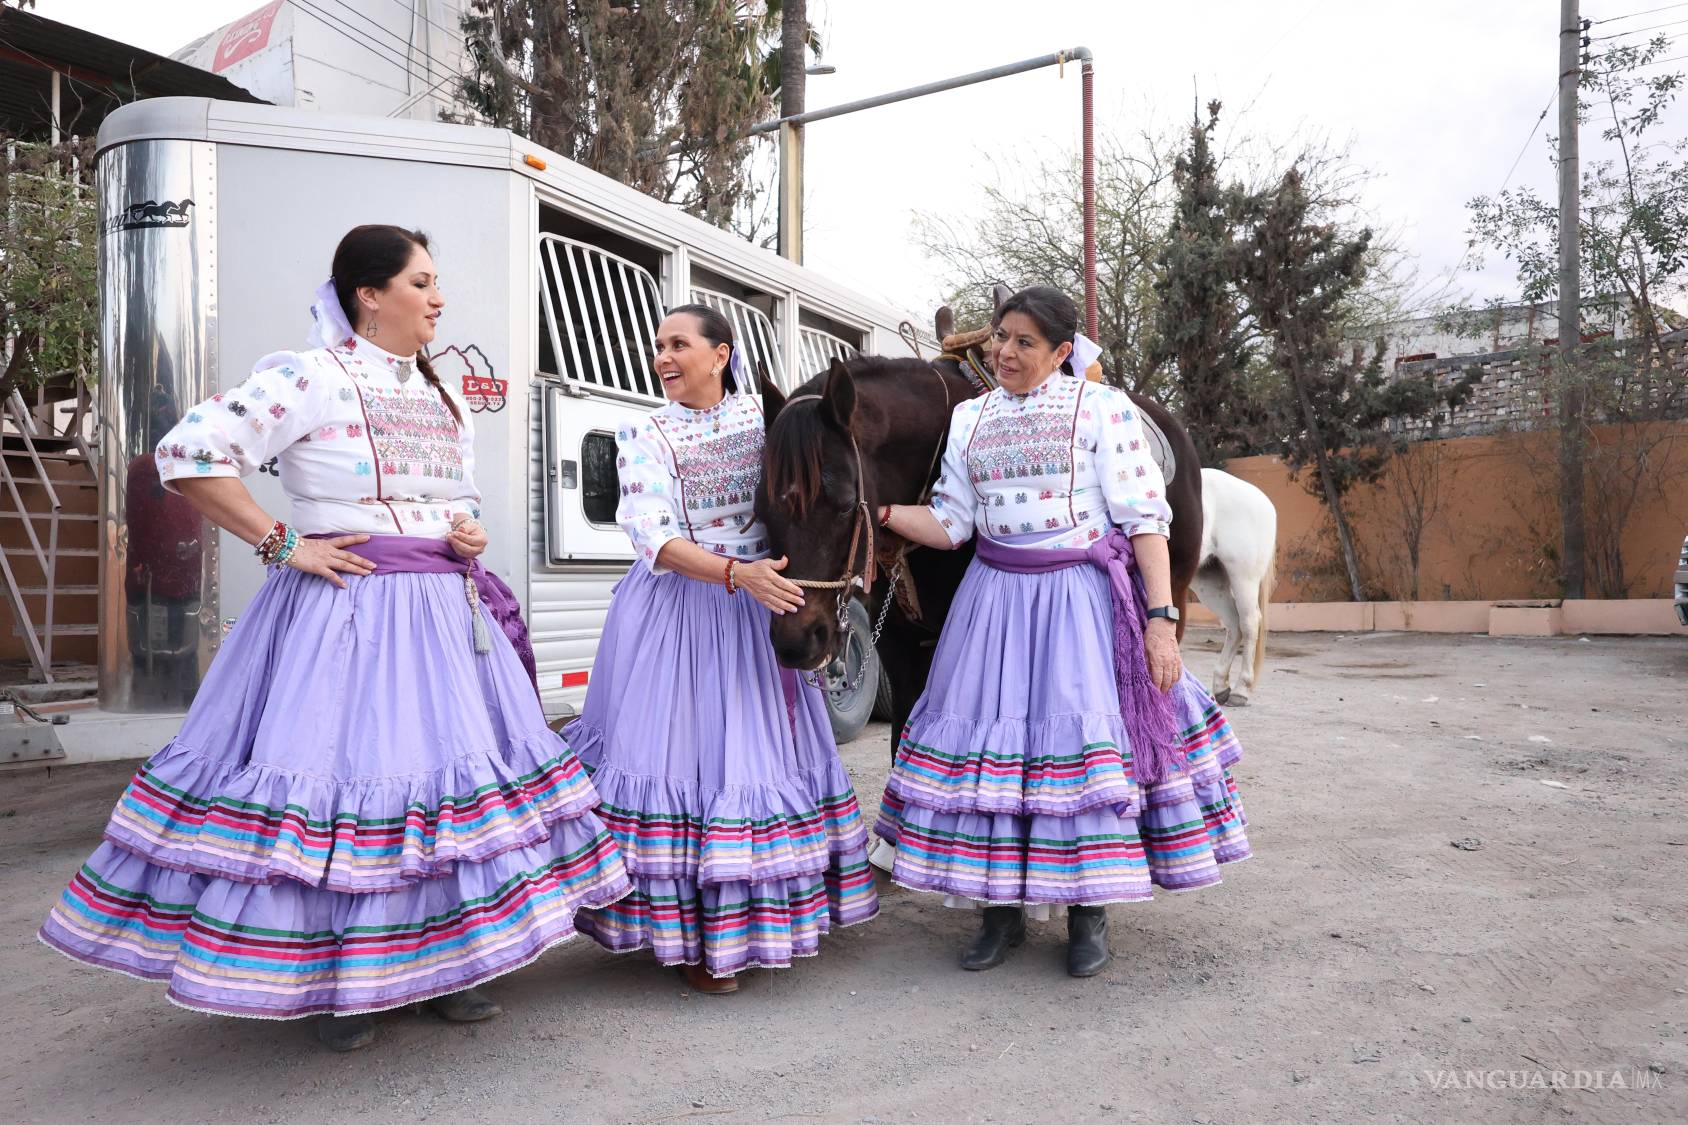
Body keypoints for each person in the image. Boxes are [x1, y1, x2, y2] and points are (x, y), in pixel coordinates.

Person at [39, 225, 631, 1050]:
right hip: (348, 614)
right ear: (368, 294)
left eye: (436, 282)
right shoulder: (308, 375)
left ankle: (445, 968)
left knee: (435, 806)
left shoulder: (440, 393)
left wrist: (465, 532)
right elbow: (188, 452)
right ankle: (345, 985)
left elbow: (458, 499)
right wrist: (282, 542)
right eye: (422, 282)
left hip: (439, 617)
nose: (439, 298)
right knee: (353, 791)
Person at [873, 286, 1251, 977]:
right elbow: (954, 523)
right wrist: (885, 511)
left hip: (1078, 604)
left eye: (1024, 342)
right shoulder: (971, 419)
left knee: (1078, 759)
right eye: (1001, 339)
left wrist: (1161, 622)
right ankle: (999, 913)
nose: (1005, 352)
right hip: (992, 605)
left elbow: (1144, 520)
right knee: (998, 761)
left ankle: (1088, 911)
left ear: (1062, 353)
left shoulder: (1102, 408)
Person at [564, 304, 878, 994]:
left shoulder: (768, 422)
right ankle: (688, 940)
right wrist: (737, 573)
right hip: (680, 609)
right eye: (658, 347)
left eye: (679, 344)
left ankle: (750, 923)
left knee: (752, 763)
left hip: (763, 607)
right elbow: (653, 535)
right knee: (682, 760)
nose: (664, 358)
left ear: (721, 354)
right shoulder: (645, 430)